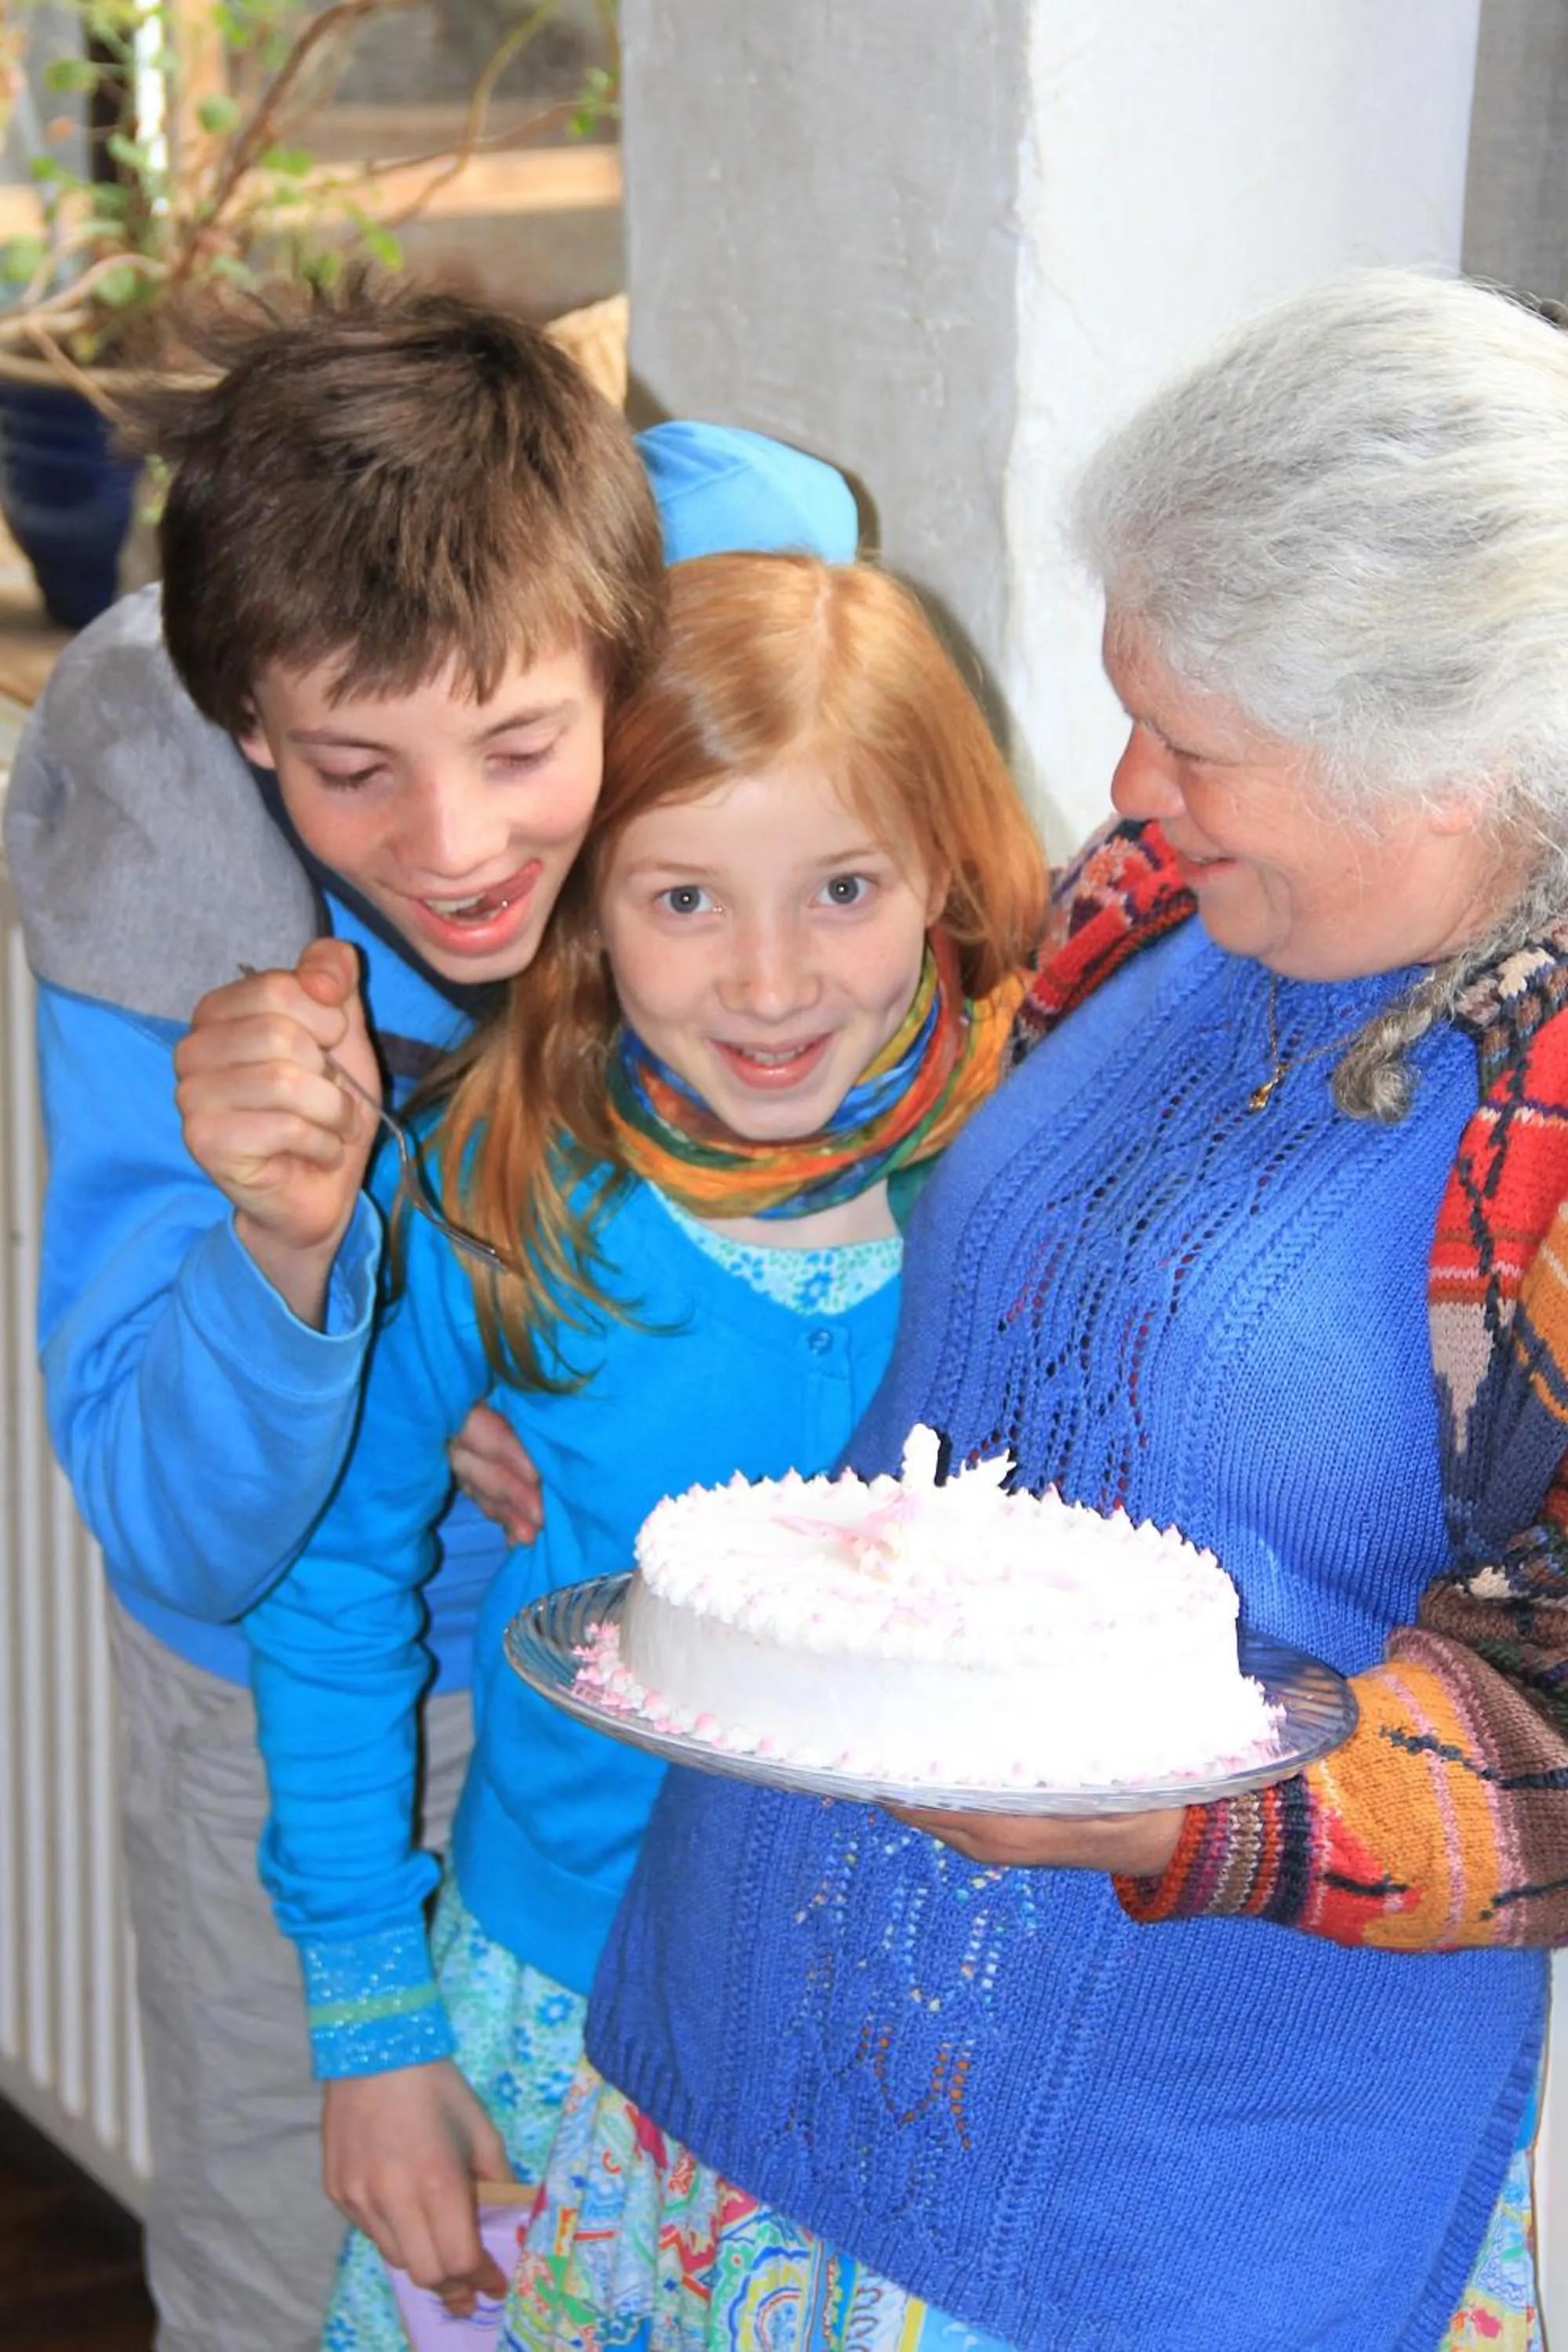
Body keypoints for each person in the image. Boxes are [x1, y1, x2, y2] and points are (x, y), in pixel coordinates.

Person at [500, 270, 1568, 2352]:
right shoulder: (1147, 904)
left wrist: (1197, 1810)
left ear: (1440, 759)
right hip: (740, 2066)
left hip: (1173, 2225)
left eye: (1196, 742)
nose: (1130, 786)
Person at [2, 276, 859, 2351]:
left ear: (619, 649)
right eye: (353, 768)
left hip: (657, 1704)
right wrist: (300, 1257)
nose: (459, 850)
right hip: (341, 1733)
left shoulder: (694, 599)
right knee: (319, 2286)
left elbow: (787, 496)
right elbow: (193, 1533)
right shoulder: (172, 933)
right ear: (247, 736)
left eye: (519, 742)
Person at [240, 548, 1049, 2341]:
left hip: (931, 2046)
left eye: (841, 888)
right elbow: (330, 1583)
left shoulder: (1043, 1181)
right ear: (591, 903)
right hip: (563, 1998)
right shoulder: (491, 1187)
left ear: (944, 870)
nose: (768, 982)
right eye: (685, 897)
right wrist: (374, 2029)